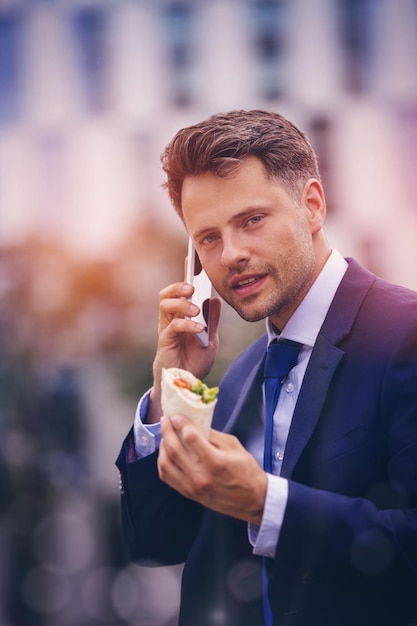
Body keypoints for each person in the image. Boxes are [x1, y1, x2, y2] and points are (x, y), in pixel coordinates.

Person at [116, 109, 417, 626]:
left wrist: (266, 503)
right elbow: (156, 542)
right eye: (208, 238)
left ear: (313, 205)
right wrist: (174, 392)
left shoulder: (404, 334)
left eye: (251, 220)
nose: (231, 254)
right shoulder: (237, 378)